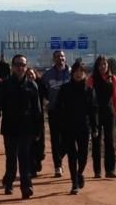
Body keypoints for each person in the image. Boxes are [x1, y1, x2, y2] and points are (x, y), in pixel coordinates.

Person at [0, 54, 42, 199]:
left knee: (24, 158)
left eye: (23, 65)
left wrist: (38, 129)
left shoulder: (32, 85)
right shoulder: (5, 84)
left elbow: (37, 110)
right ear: (12, 67)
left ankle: (26, 187)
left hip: (27, 128)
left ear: (26, 66)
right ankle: (9, 183)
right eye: (17, 64)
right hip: (10, 127)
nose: (20, 67)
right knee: (11, 158)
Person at [55, 59, 97, 194]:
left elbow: (93, 110)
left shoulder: (89, 90)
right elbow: (58, 108)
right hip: (68, 127)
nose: (79, 74)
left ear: (85, 74)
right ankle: (74, 183)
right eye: (76, 71)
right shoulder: (65, 88)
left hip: (84, 127)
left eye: (82, 71)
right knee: (72, 155)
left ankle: (79, 174)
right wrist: (59, 125)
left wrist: (94, 127)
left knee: (83, 156)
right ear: (72, 73)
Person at [87, 55, 116, 178]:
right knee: (96, 142)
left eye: (105, 64)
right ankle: (97, 171)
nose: (103, 67)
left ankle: (110, 170)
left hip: (109, 112)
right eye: (100, 64)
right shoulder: (92, 79)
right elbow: (88, 98)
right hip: (95, 113)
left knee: (109, 141)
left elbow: (115, 97)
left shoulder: (113, 79)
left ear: (108, 66)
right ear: (97, 66)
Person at [41, 49, 71, 177]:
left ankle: (60, 155)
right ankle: (57, 166)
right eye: (58, 57)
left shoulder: (71, 73)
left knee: (68, 139)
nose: (61, 58)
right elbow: (42, 90)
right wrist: (49, 100)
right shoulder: (48, 74)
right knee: (55, 139)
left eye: (62, 56)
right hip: (54, 110)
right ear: (54, 59)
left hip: (69, 111)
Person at [26, 66, 46, 176]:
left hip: (39, 117)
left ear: (35, 74)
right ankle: (32, 168)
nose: (30, 76)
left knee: (40, 143)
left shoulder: (40, 86)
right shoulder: (23, 87)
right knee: (30, 144)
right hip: (28, 119)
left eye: (32, 74)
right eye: (28, 74)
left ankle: (38, 160)